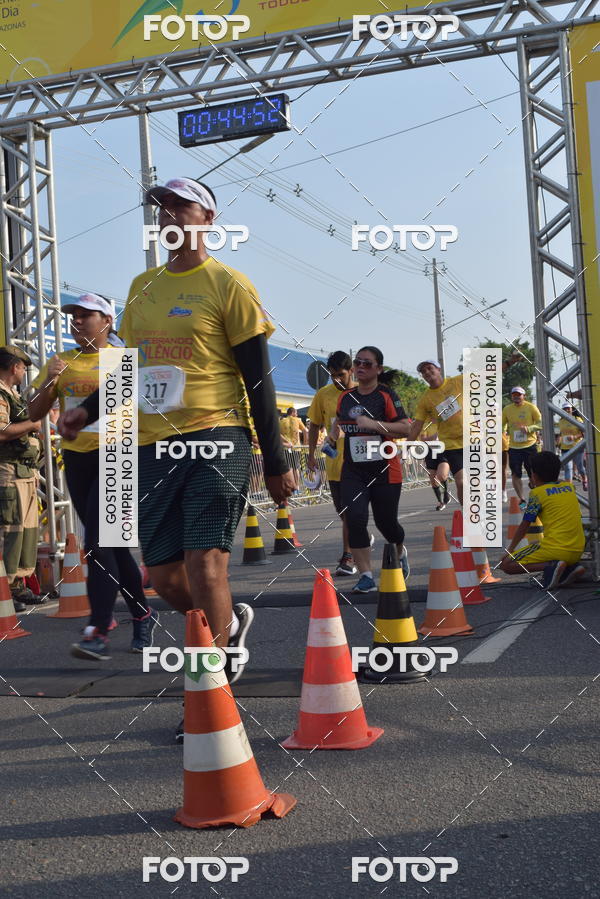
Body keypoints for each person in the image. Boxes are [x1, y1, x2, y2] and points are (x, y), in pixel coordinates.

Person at [58, 178, 294, 738]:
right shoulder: (142, 288)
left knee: (205, 562)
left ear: (207, 218)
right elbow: (130, 369)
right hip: (154, 445)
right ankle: (229, 621)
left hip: (218, 435)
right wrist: (85, 411)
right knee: (163, 576)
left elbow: (258, 376)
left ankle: (214, 695)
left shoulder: (229, 283)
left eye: (178, 205)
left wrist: (278, 457)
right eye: (159, 207)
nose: (166, 214)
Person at [29, 294, 157, 660]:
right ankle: (142, 613)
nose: (77, 322)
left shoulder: (124, 360)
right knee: (112, 547)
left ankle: (98, 629)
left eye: (87, 316)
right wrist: (49, 383)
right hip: (77, 460)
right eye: (74, 316)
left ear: (107, 321)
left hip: (117, 458)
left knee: (98, 546)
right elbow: (36, 410)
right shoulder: (61, 362)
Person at [332, 346, 411, 593]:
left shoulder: (386, 395)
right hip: (354, 471)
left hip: (385, 469)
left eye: (367, 363)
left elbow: (405, 429)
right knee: (354, 518)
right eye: (358, 362)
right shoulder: (346, 397)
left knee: (386, 523)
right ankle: (366, 575)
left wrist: (374, 425)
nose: (361, 367)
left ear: (379, 369)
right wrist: (332, 436)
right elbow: (339, 421)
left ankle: (399, 549)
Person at [499, 451, 586, 589]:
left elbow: (525, 525)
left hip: (556, 549)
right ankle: (570, 568)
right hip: (578, 549)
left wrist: (509, 550)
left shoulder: (537, 494)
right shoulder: (569, 487)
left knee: (506, 565)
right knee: (543, 546)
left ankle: (551, 566)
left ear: (534, 475)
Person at [0, 346, 43, 612]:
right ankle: (5, 590)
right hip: (7, 471)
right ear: (14, 367)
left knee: (26, 531)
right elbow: (2, 432)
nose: (24, 372)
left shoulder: (11, 394)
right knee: (9, 532)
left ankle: (16, 586)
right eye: (23, 367)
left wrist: (34, 469)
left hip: (23, 471)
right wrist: (33, 424)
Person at [307, 351, 357, 575]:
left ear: (352, 371)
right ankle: (359, 539)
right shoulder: (323, 395)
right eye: (332, 376)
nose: (337, 380)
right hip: (334, 463)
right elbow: (315, 425)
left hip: (360, 464)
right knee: (342, 512)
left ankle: (348, 556)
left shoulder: (362, 391)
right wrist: (310, 456)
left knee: (350, 510)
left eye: (341, 375)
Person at [408, 359, 464, 503]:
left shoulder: (458, 382)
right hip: (452, 446)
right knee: (462, 483)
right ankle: (471, 517)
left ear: (438, 369)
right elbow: (416, 426)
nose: (427, 372)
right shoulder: (425, 400)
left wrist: (508, 363)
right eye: (423, 371)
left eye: (429, 368)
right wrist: (405, 447)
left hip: (474, 440)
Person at [502, 386, 541, 509]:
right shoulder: (507, 409)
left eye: (519, 395)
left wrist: (529, 429)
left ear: (524, 396)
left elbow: (540, 423)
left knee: (533, 474)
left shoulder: (531, 407)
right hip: (514, 447)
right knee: (515, 474)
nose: (516, 397)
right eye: (514, 395)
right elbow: (502, 424)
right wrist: (502, 432)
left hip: (529, 445)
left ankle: (533, 488)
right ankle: (522, 499)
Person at [555, 403, 587, 490]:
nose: (566, 410)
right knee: (568, 468)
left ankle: (584, 479)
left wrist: (574, 437)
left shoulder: (577, 419)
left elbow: (584, 433)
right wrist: (559, 440)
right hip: (565, 448)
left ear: (572, 409)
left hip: (577, 447)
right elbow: (562, 433)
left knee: (580, 468)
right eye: (564, 409)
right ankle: (569, 487)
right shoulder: (561, 421)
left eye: (568, 408)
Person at [422, 422, 450, 510]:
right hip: (430, 453)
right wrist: (434, 436)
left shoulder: (443, 421)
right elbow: (422, 439)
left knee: (441, 475)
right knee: (433, 479)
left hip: (443, 450)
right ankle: (440, 502)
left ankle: (446, 493)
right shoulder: (425, 424)